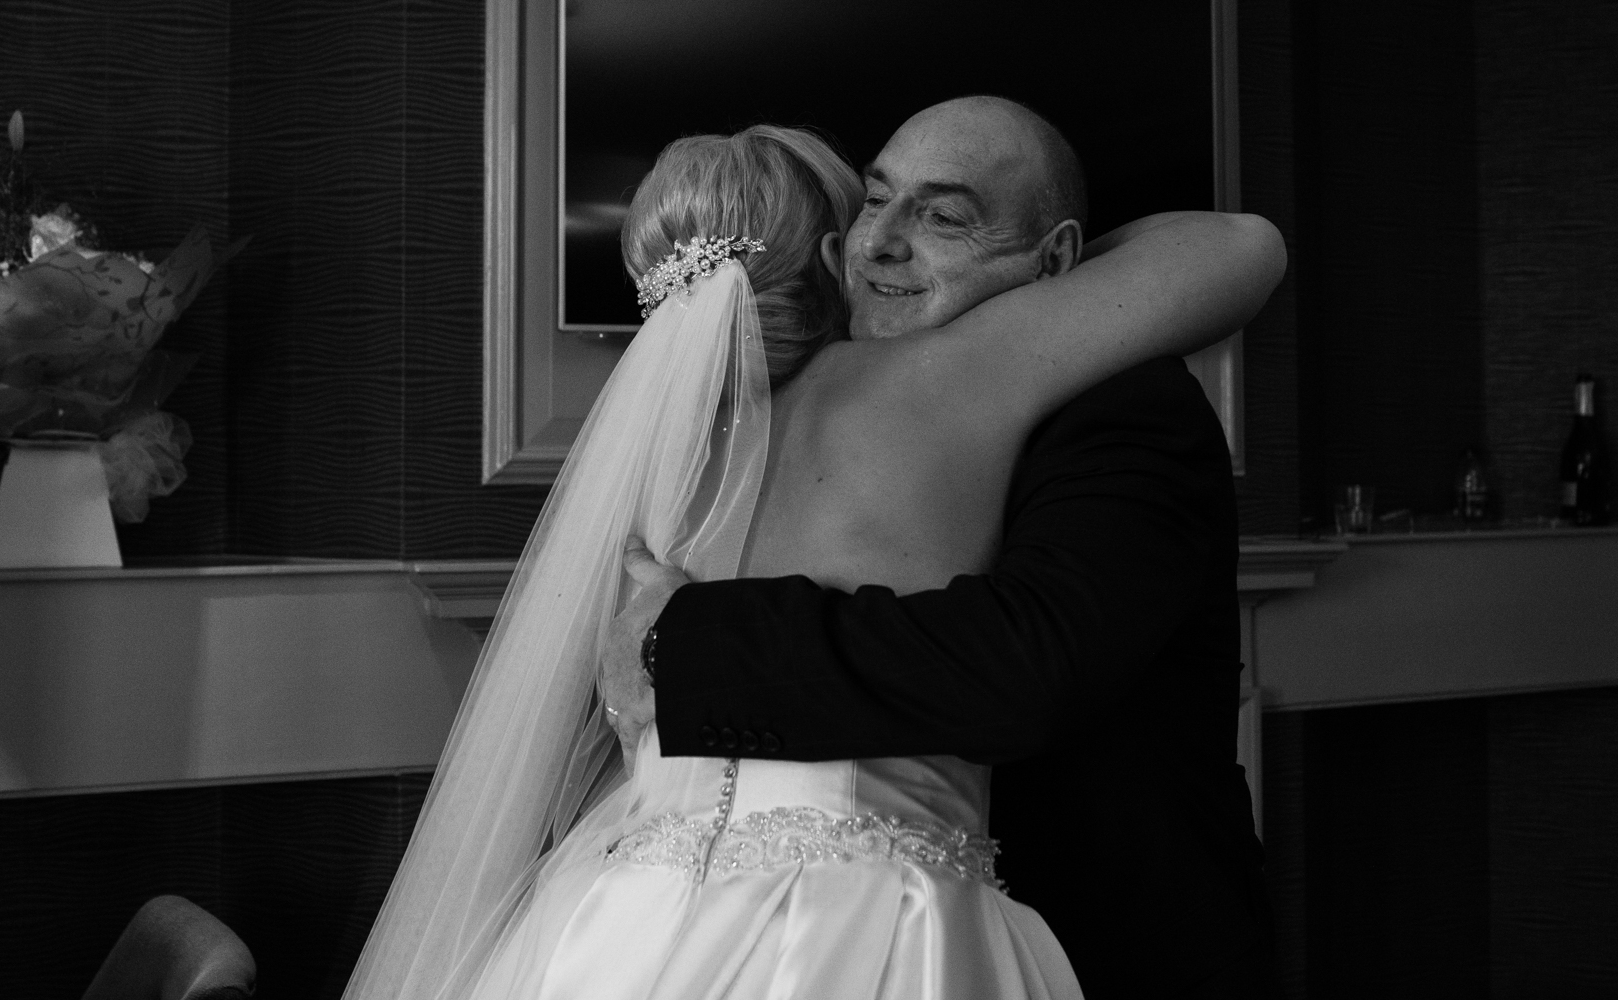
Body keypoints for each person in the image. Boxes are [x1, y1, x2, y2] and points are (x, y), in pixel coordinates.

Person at [345, 103, 1283, 1000]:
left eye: (945, 215)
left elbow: (1027, 664)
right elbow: (1243, 246)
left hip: (615, 920)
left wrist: (683, 640)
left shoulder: (671, 455)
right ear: (832, 250)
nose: (883, 240)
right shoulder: (954, 384)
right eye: (874, 200)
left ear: (1058, 261)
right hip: (878, 926)